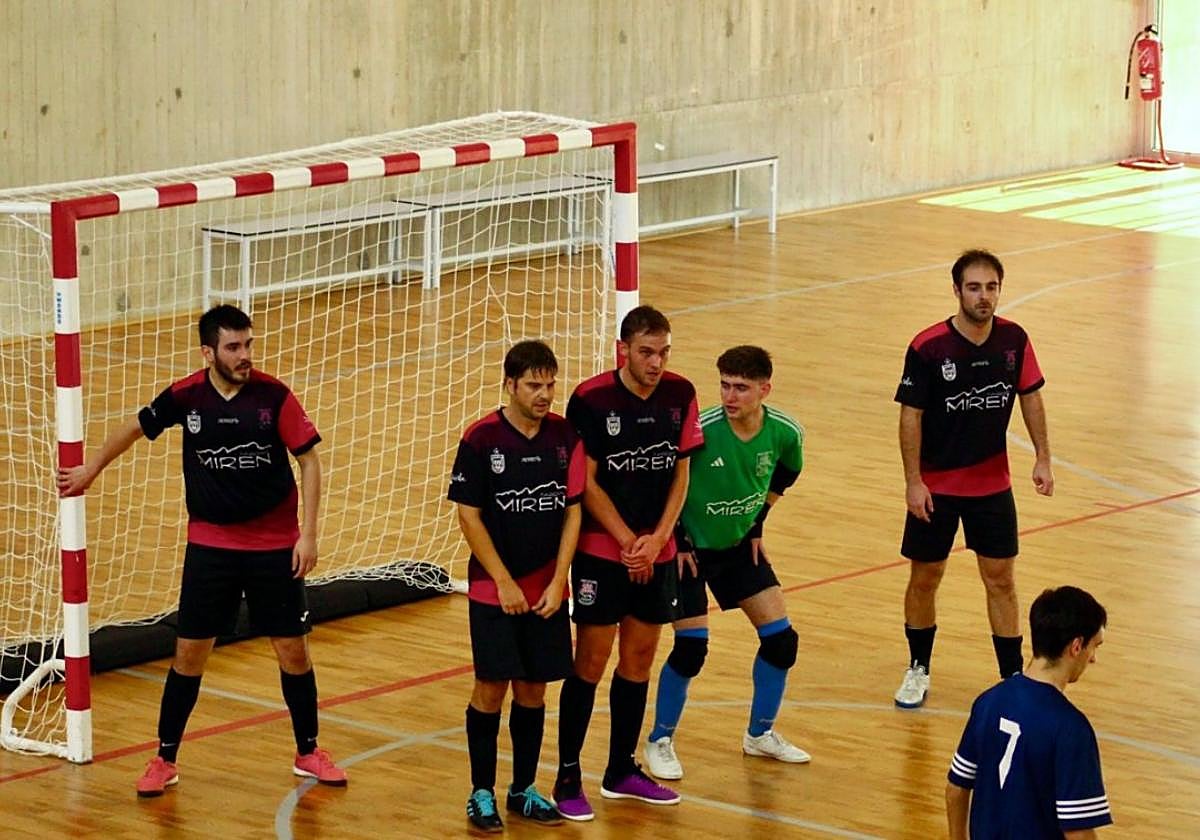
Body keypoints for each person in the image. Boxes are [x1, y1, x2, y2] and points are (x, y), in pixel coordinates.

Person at [56, 304, 345, 796]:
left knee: (293, 652)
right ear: (208, 352)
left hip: (275, 547)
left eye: (249, 344)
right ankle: (164, 758)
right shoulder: (187, 396)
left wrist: (309, 534)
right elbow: (134, 426)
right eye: (234, 347)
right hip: (211, 547)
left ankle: (308, 751)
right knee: (189, 654)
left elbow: (310, 462)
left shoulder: (273, 396)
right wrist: (90, 471)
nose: (245, 355)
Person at [551, 305, 704, 821]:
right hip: (602, 552)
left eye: (663, 352)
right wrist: (626, 541)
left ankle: (620, 770)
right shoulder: (591, 399)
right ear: (623, 350)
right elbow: (586, 482)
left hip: (654, 551)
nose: (656, 362)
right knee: (590, 662)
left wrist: (658, 538)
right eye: (646, 352)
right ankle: (567, 776)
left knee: (638, 661)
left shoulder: (681, 394)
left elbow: (681, 474)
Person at [893, 249, 1054, 709]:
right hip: (937, 489)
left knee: (1001, 579)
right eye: (974, 287)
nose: (984, 296)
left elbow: (1032, 398)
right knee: (925, 577)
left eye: (991, 287)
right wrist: (913, 481)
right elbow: (911, 418)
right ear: (957, 291)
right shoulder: (928, 348)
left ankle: (1012, 677)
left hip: (991, 486)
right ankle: (918, 667)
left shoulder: (1014, 340)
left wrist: (1043, 457)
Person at [644, 345, 810, 780]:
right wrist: (676, 540)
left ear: (764, 389)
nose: (730, 396)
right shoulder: (702, 429)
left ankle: (759, 734)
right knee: (692, 648)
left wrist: (758, 525)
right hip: (689, 553)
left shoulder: (784, 432)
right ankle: (659, 740)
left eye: (741, 388)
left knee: (781, 641)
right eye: (724, 385)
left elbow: (787, 472)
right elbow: (666, 482)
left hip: (737, 548)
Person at [447, 340, 584, 832]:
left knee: (533, 690)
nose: (545, 394)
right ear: (509, 385)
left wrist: (559, 578)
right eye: (533, 385)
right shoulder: (482, 439)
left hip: (547, 590)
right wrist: (503, 582)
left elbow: (573, 510)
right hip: (494, 592)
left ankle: (523, 788)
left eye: (550, 384)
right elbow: (469, 514)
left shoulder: (566, 435)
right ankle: (480, 791)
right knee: (491, 688)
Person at [946, 586, 1112, 838]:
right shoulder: (1071, 729)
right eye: (1095, 646)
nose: (1093, 659)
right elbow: (1078, 831)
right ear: (1076, 646)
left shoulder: (989, 702)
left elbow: (956, 789)